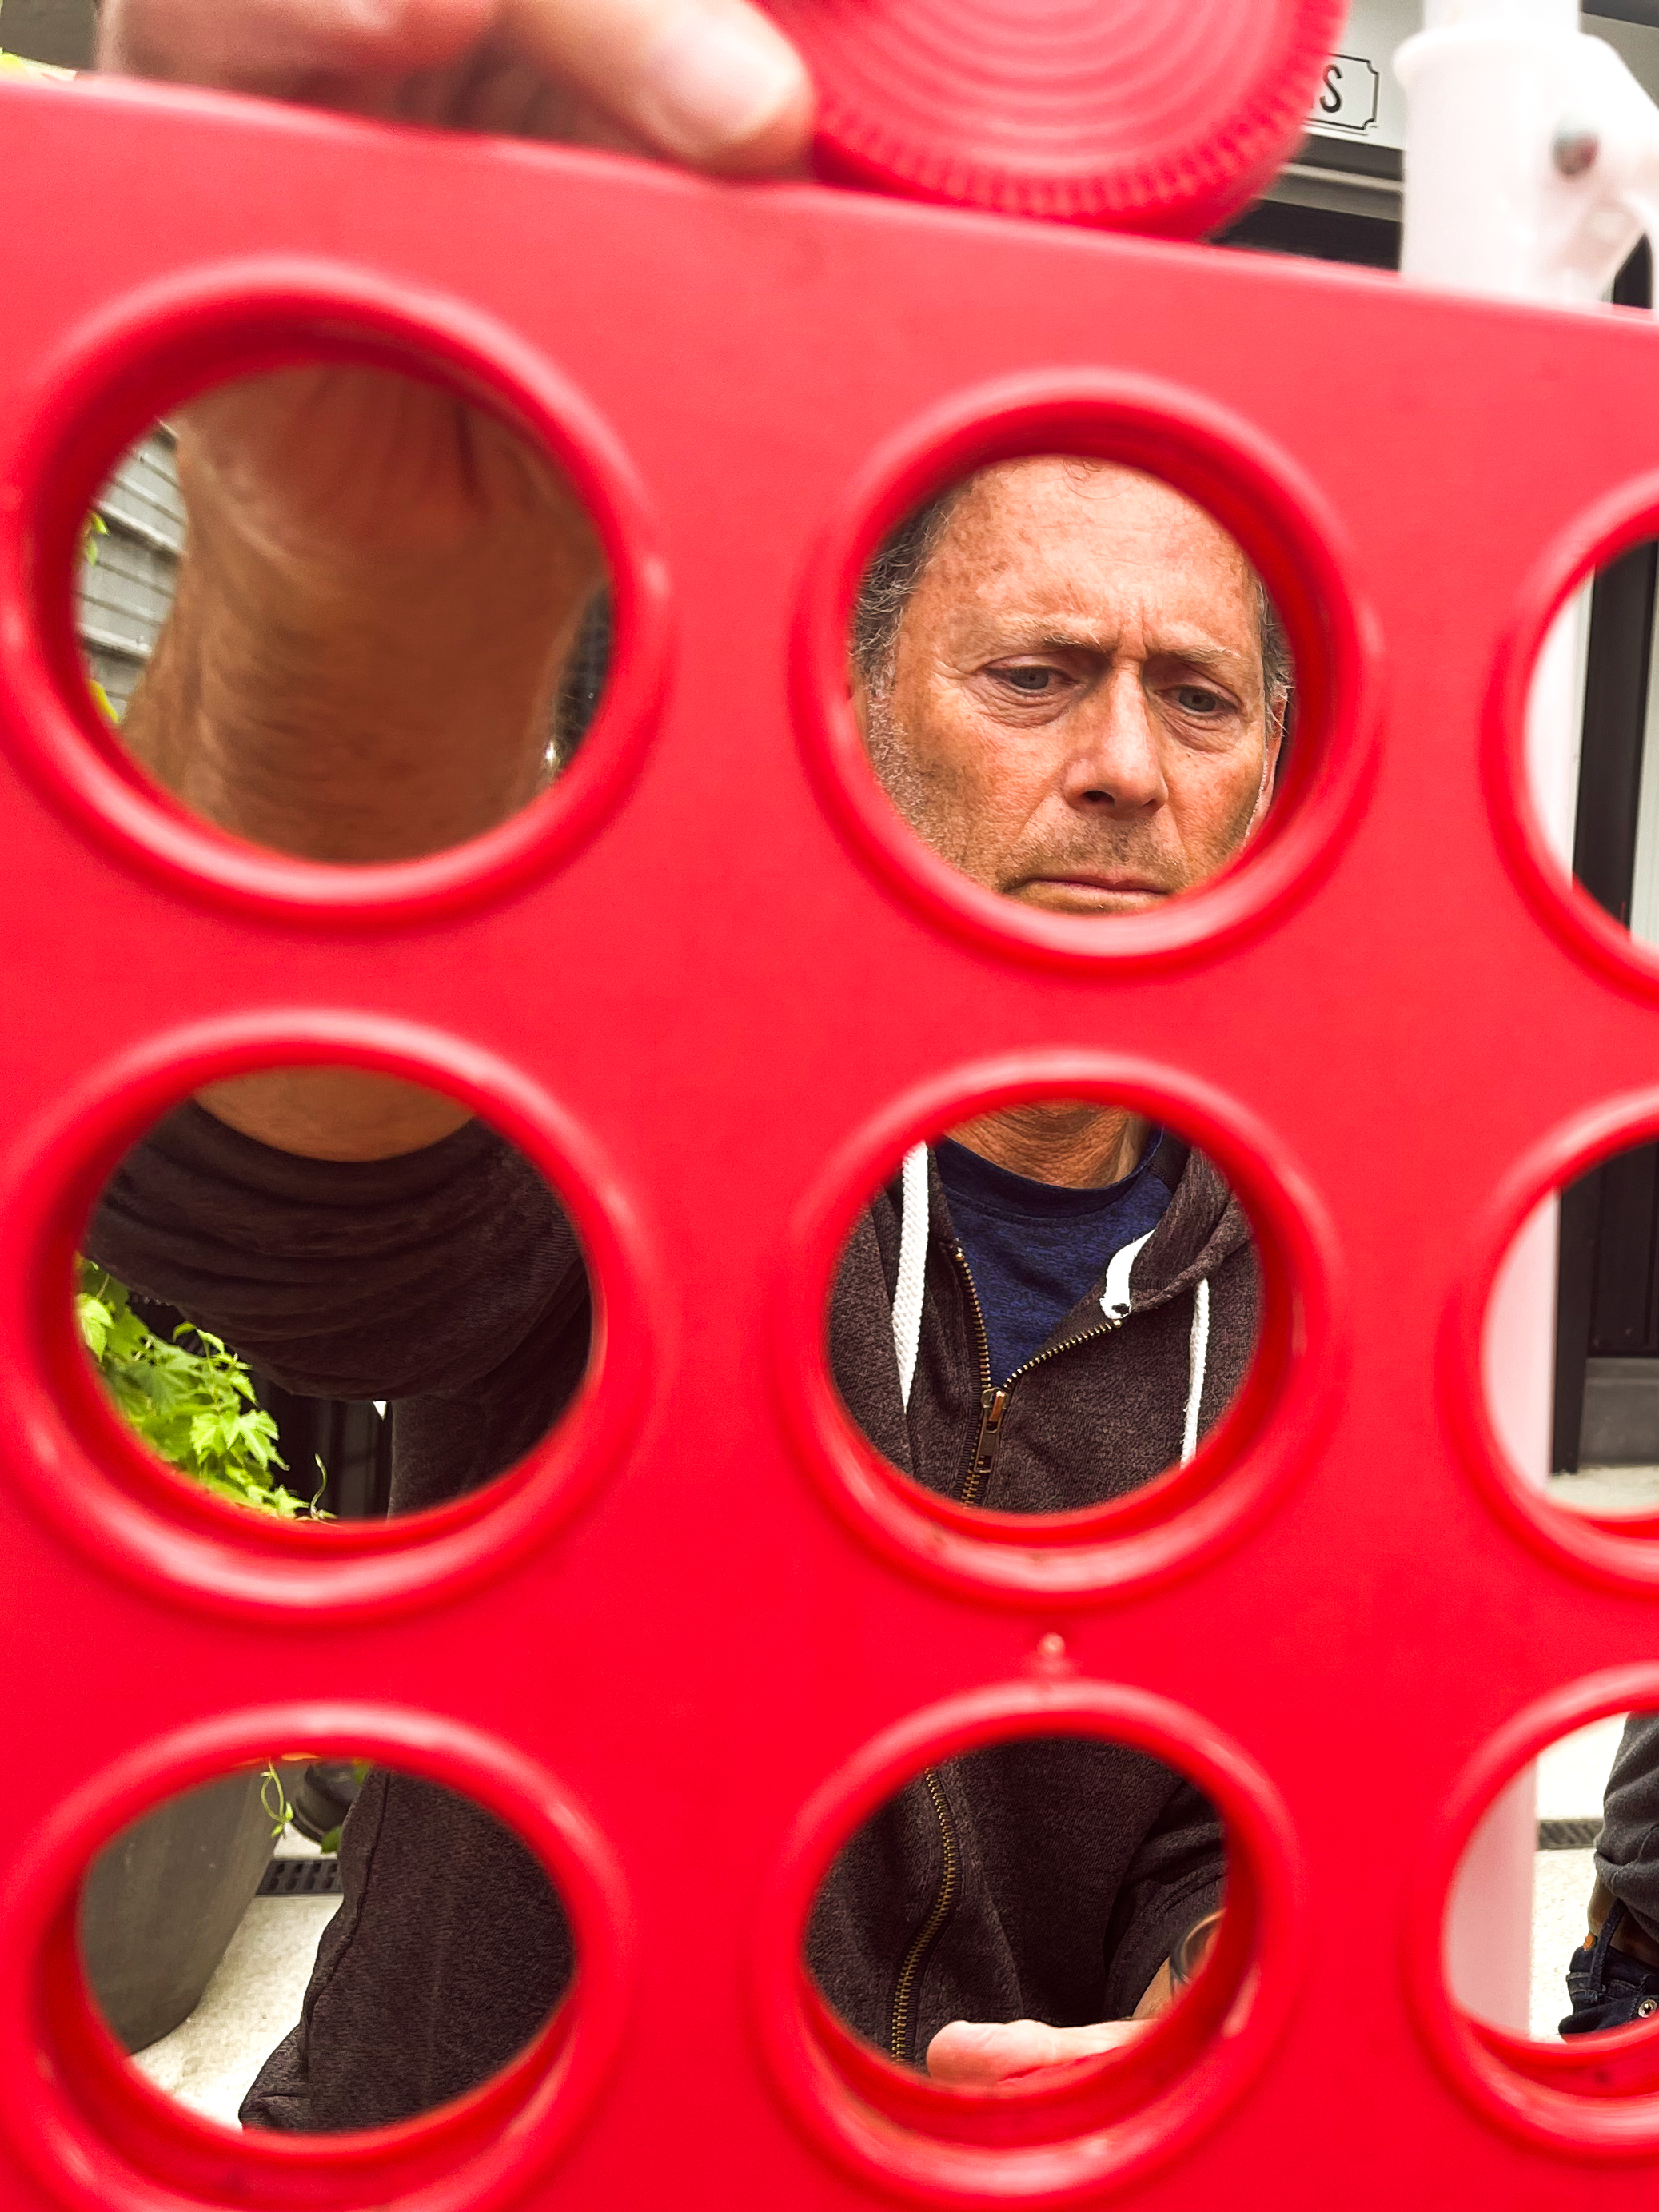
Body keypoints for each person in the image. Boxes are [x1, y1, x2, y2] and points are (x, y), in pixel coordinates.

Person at [89, 0, 1288, 2125]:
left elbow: (1229, 1774)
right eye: (1034, 672)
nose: (1121, 767)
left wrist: (1203, 1991)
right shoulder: (659, 1115)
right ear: (847, 714)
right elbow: (289, 1217)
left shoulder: (1307, 1255)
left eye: (1195, 697)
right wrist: (355, 576)